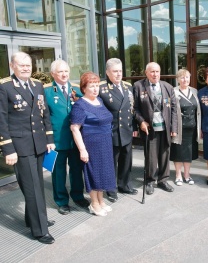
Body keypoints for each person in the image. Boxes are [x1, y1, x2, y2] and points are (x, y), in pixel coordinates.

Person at [0, 51, 55, 244]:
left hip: (39, 143)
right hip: (20, 146)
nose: (26, 68)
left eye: (28, 65)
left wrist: (49, 138)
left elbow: (44, 113)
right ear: (12, 65)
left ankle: (32, 218)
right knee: (31, 187)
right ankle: (40, 230)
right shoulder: (5, 87)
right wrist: (8, 149)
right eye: (22, 65)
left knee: (36, 184)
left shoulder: (37, 85)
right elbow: (2, 121)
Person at [44, 59, 89, 215]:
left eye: (66, 71)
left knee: (77, 170)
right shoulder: (46, 91)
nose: (64, 74)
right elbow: (43, 117)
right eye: (60, 71)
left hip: (76, 140)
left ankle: (78, 196)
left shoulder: (76, 89)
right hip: (56, 140)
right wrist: (47, 140)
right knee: (58, 172)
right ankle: (62, 201)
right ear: (53, 74)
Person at [70, 72, 116, 216]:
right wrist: (82, 150)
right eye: (92, 86)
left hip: (105, 143)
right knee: (93, 174)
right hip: (91, 144)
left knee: (103, 173)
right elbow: (74, 128)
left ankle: (101, 201)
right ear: (84, 88)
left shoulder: (99, 101)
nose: (95, 89)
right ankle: (94, 203)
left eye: (97, 86)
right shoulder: (80, 105)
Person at [133, 62, 178, 195]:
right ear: (146, 73)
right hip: (150, 128)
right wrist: (141, 121)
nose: (155, 74)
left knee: (165, 154)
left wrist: (173, 127)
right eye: (152, 72)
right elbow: (134, 108)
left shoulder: (168, 87)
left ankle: (163, 180)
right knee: (151, 157)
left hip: (165, 127)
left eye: (157, 71)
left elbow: (174, 109)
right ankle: (150, 181)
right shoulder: (139, 86)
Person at [99, 58, 138, 202]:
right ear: (107, 72)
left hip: (126, 130)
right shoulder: (101, 88)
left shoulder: (128, 87)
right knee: (111, 162)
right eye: (115, 71)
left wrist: (134, 126)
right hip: (111, 131)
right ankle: (111, 188)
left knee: (126, 160)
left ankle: (125, 184)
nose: (118, 74)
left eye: (120, 71)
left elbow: (132, 109)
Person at [170, 69, 201, 186]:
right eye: (182, 77)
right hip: (179, 129)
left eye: (187, 77)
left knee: (189, 152)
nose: (185, 80)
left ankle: (187, 175)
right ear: (177, 79)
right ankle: (178, 175)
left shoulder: (194, 91)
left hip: (192, 128)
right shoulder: (173, 92)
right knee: (178, 152)